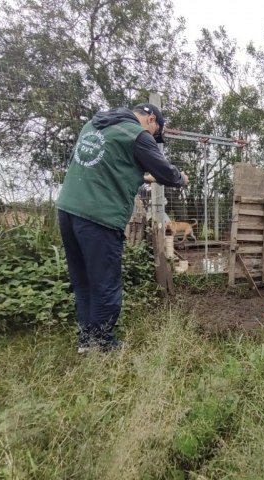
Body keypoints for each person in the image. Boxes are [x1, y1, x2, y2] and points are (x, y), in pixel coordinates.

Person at [56, 103, 189, 352]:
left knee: (83, 280)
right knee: (105, 282)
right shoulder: (136, 134)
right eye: (155, 133)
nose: (152, 138)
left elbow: (106, 167)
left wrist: (141, 176)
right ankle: (102, 343)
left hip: (68, 210)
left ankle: (87, 340)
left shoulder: (94, 124)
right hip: (100, 216)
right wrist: (181, 178)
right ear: (151, 119)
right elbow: (168, 173)